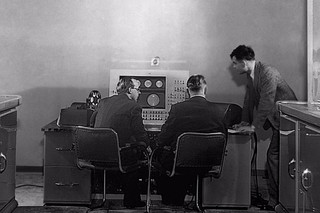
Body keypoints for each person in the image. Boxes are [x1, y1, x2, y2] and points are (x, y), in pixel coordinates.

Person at [230, 45, 297, 210]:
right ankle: (277, 200)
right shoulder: (252, 75)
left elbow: (266, 101)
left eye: (234, 63)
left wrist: (253, 127)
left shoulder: (267, 72)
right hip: (278, 121)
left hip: (288, 121)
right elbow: (249, 101)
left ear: (244, 62)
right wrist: (244, 122)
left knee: (274, 158)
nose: (233, 66)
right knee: (275, 158)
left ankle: (277, 201)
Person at [155, 74, 227, 206]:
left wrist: (159, 144)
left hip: (182, 161)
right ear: (205, 88)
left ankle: (171, 201)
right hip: (208, 161)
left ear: (188, 90)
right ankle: (199, 199)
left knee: (160, 157)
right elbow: (223, 136)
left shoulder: (178, 108)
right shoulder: (219, 110)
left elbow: (164, 137)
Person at [90, 77, 150, 209]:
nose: (139, 93)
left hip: (96, 156)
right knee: (136, 154)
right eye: (138, 89)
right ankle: (132, 201)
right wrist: (148, 146)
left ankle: (101, 196)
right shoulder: (134, 106)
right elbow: (140, 133)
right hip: (119, 157)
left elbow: (91, 124)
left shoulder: (103, 102)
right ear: (130, 90)